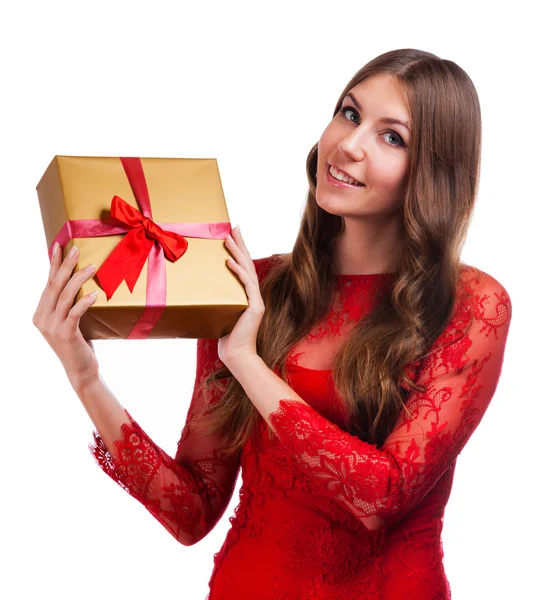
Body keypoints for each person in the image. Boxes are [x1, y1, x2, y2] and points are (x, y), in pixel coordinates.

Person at [32, 48, 513, 599]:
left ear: (433, 172)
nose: (349, 145)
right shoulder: (252, 286)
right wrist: (86, 377)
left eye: (392, 137)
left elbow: (382, 499)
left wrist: (247, 361)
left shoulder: (472, 304)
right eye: (350, 114)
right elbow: (191, 511)